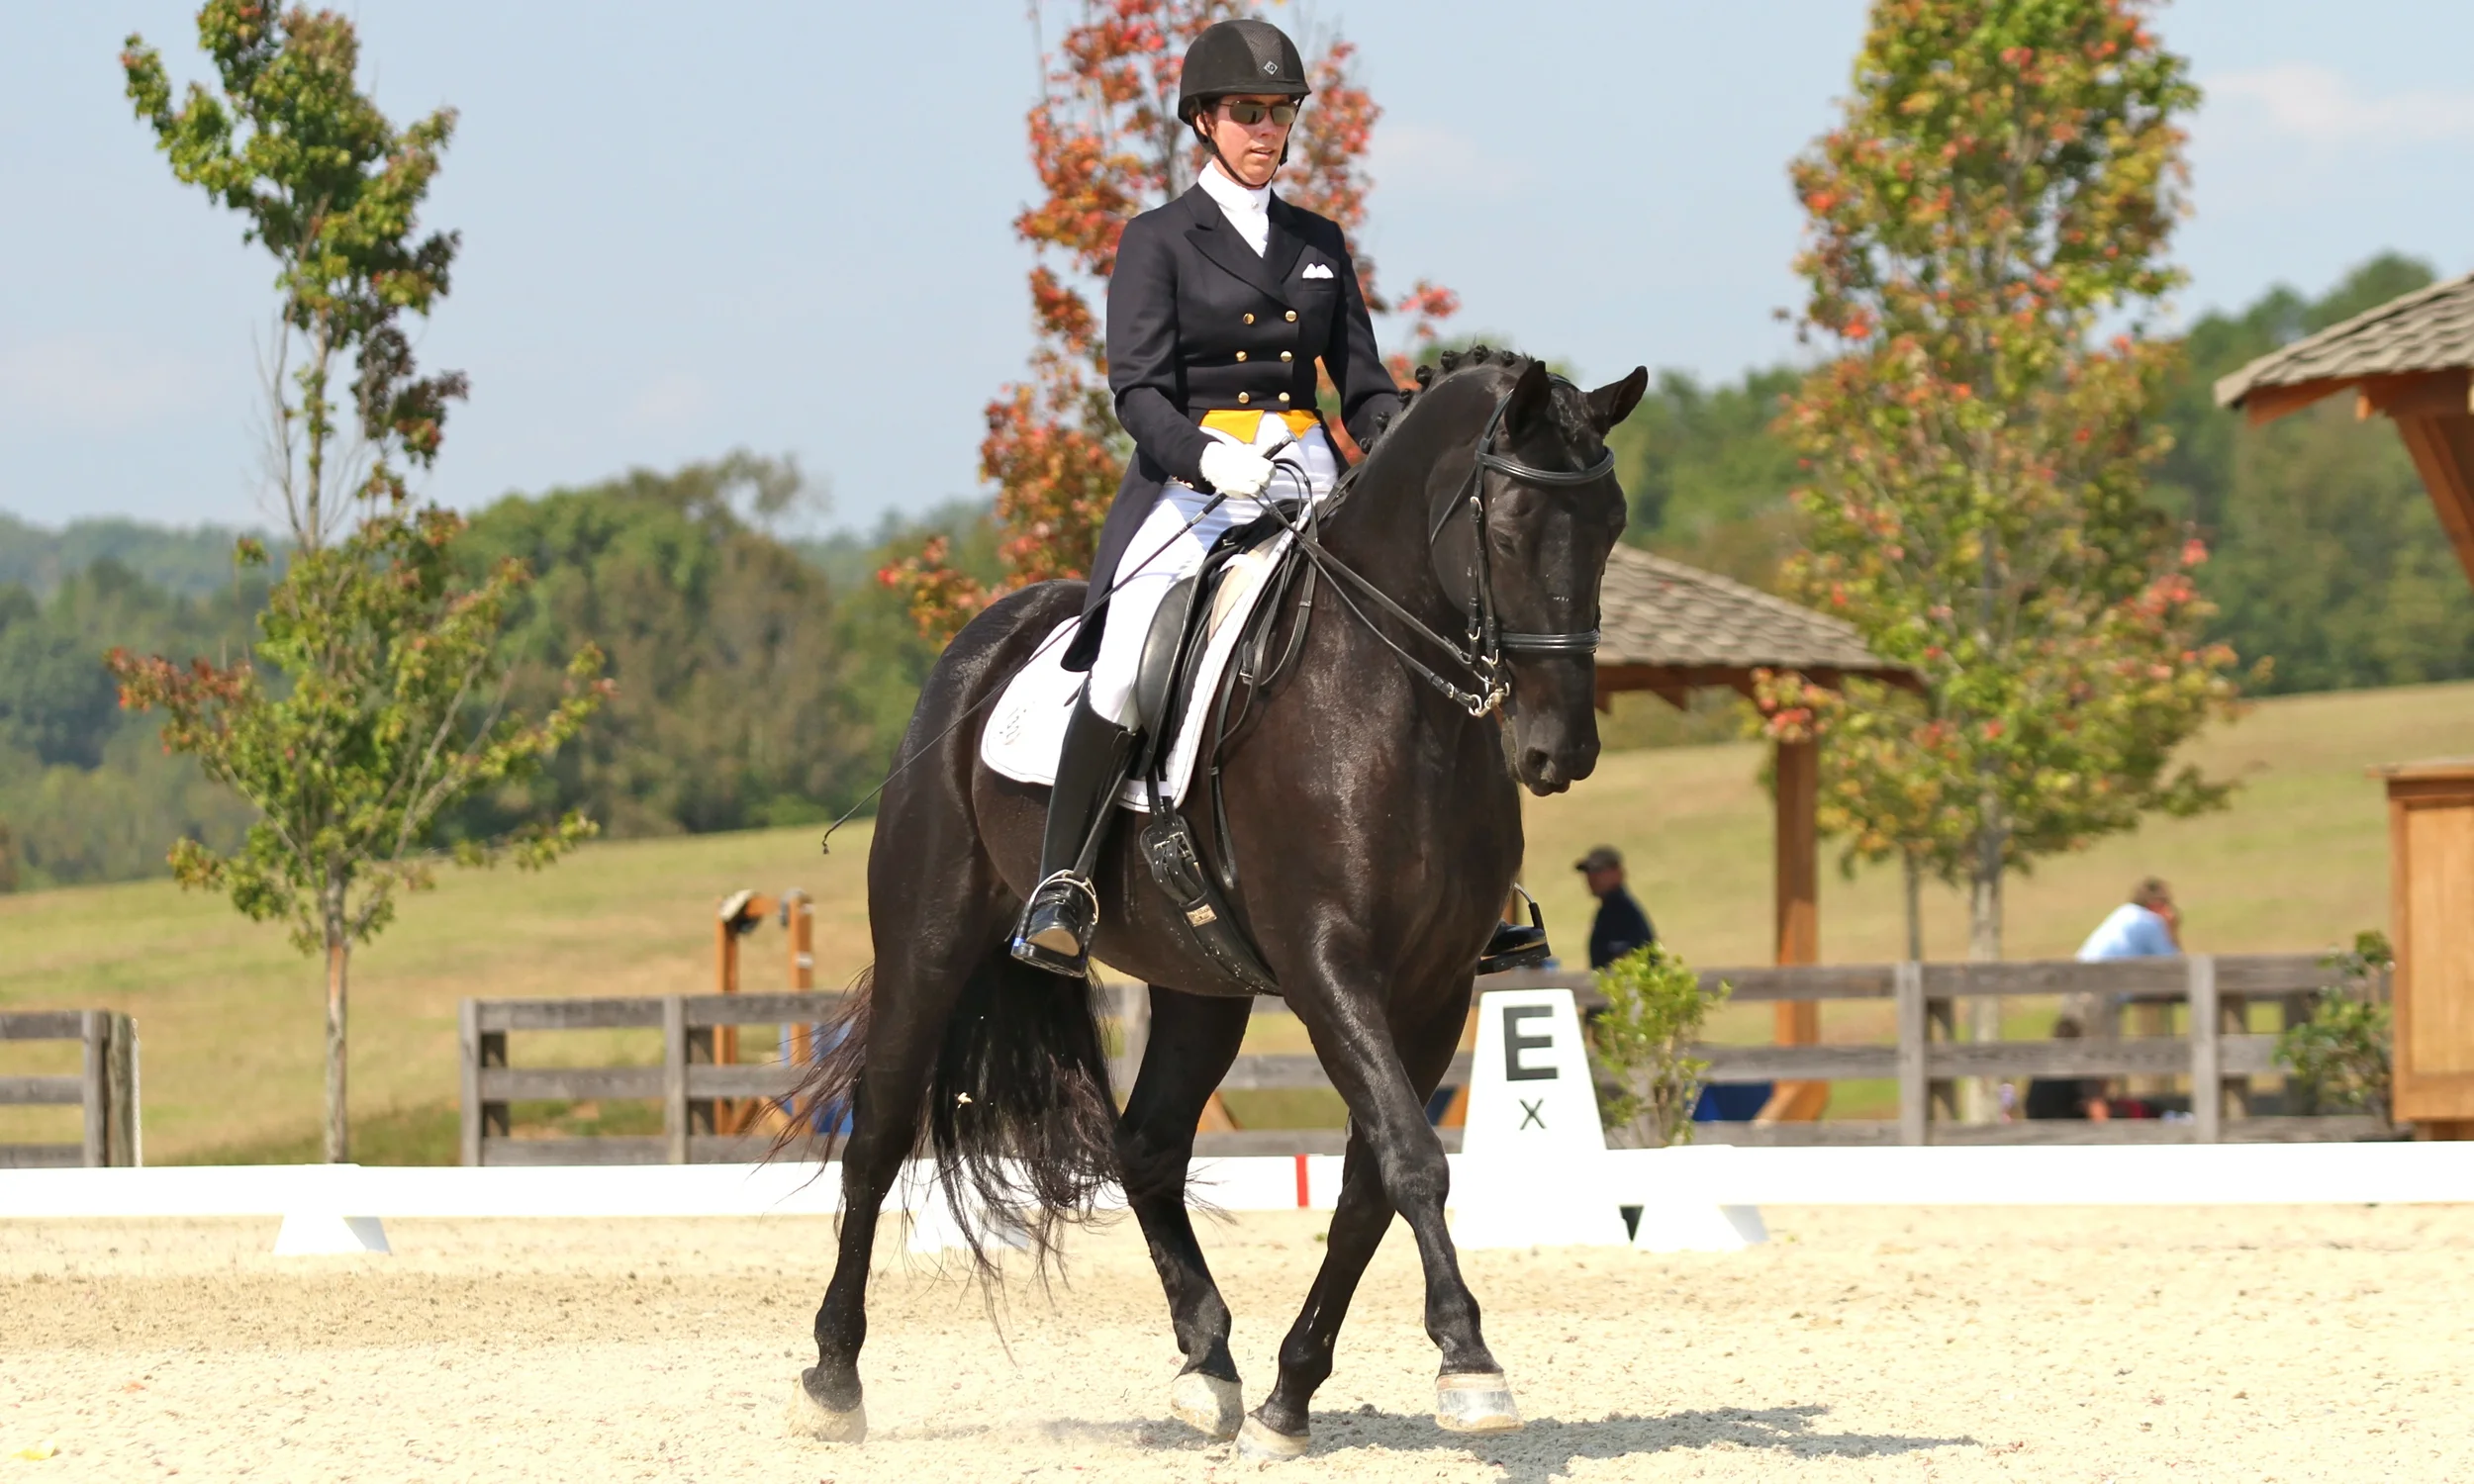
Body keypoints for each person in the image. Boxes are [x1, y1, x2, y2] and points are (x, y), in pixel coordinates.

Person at [1009, 19, 1406, 976]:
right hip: (1197, 490)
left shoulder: (1319, 241)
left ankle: (1479, 877)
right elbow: (1134, 392)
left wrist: (1408, 450)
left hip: (1308, 477)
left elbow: (1362, 387)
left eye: (1278, 113)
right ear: (1204, 121)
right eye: (1246, 113)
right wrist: (1206, 458)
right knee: (1130, 655)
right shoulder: (1157, 240)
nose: (1265, 129)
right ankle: (1064, 882)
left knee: (1415, 620)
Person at [1574, 846, 1655, 971]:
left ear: (1618, 872)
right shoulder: (1610, 910)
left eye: (1598, 870)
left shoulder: (1621, 912)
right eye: (1588, 871)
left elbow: (1626, 961)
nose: (1591, 877)